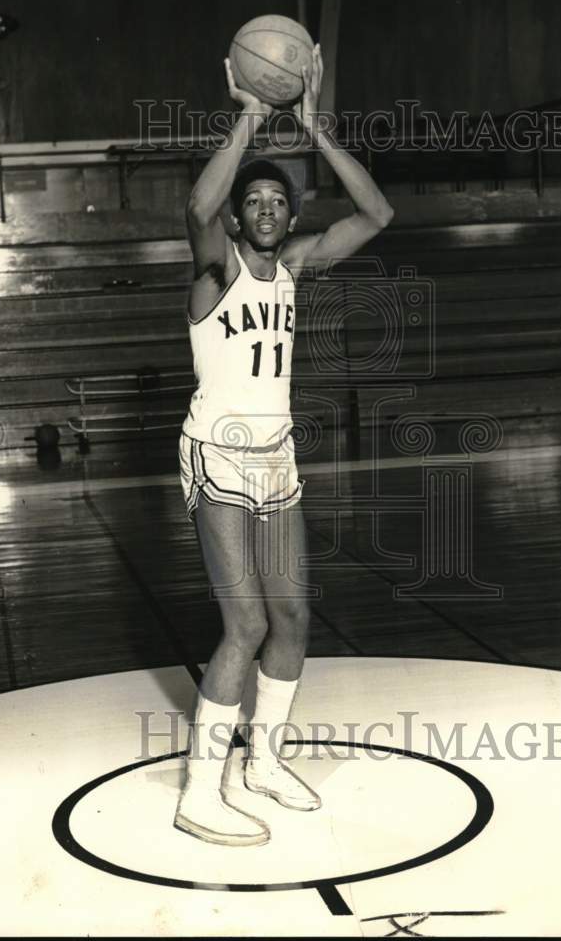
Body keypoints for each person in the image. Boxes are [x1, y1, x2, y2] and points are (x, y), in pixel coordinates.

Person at [175, 44, 394, 846]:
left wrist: (314, 129)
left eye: (277, 200)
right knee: (244, 625)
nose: (265, 208)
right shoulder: (212, 268)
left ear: (289, 217)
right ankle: (200, 791)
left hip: (277, 454)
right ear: (239, 218)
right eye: (253, 201)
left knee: (294, 616)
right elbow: (196, 210)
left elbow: (376, 217)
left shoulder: (295, 268)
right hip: (217, 452)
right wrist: (246, 117)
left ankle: (260, 762)